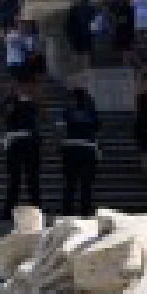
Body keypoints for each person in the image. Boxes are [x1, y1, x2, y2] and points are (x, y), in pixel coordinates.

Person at [0, 74, 42, 221]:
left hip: (30, 143)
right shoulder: (10, 101)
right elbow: (6, 115)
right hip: (15, 143)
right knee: (14, 179)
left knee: (33, 179)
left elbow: (36, 121)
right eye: (21, 85)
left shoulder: (32, 103)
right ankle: (8, 211)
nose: (25, 88)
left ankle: (37, 210)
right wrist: (13, 99)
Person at [60, 84, 102, 217]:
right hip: (88, 148)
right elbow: (97, 128)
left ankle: (67, 212)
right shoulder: (91, 111)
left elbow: (61, 129)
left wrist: (60, 145)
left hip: (71, 148)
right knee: (86, 185)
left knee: (70, 184)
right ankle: (85, 212)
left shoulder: (67, 111)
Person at [65, 0, 97, 70]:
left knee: (77, 54)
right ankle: (86, 70)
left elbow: (67, 25)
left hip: (76, 36)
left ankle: (78, 70)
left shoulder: (73, 10)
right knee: (86, 54)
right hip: (86, 34)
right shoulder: (91, 9)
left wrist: (69, 36)